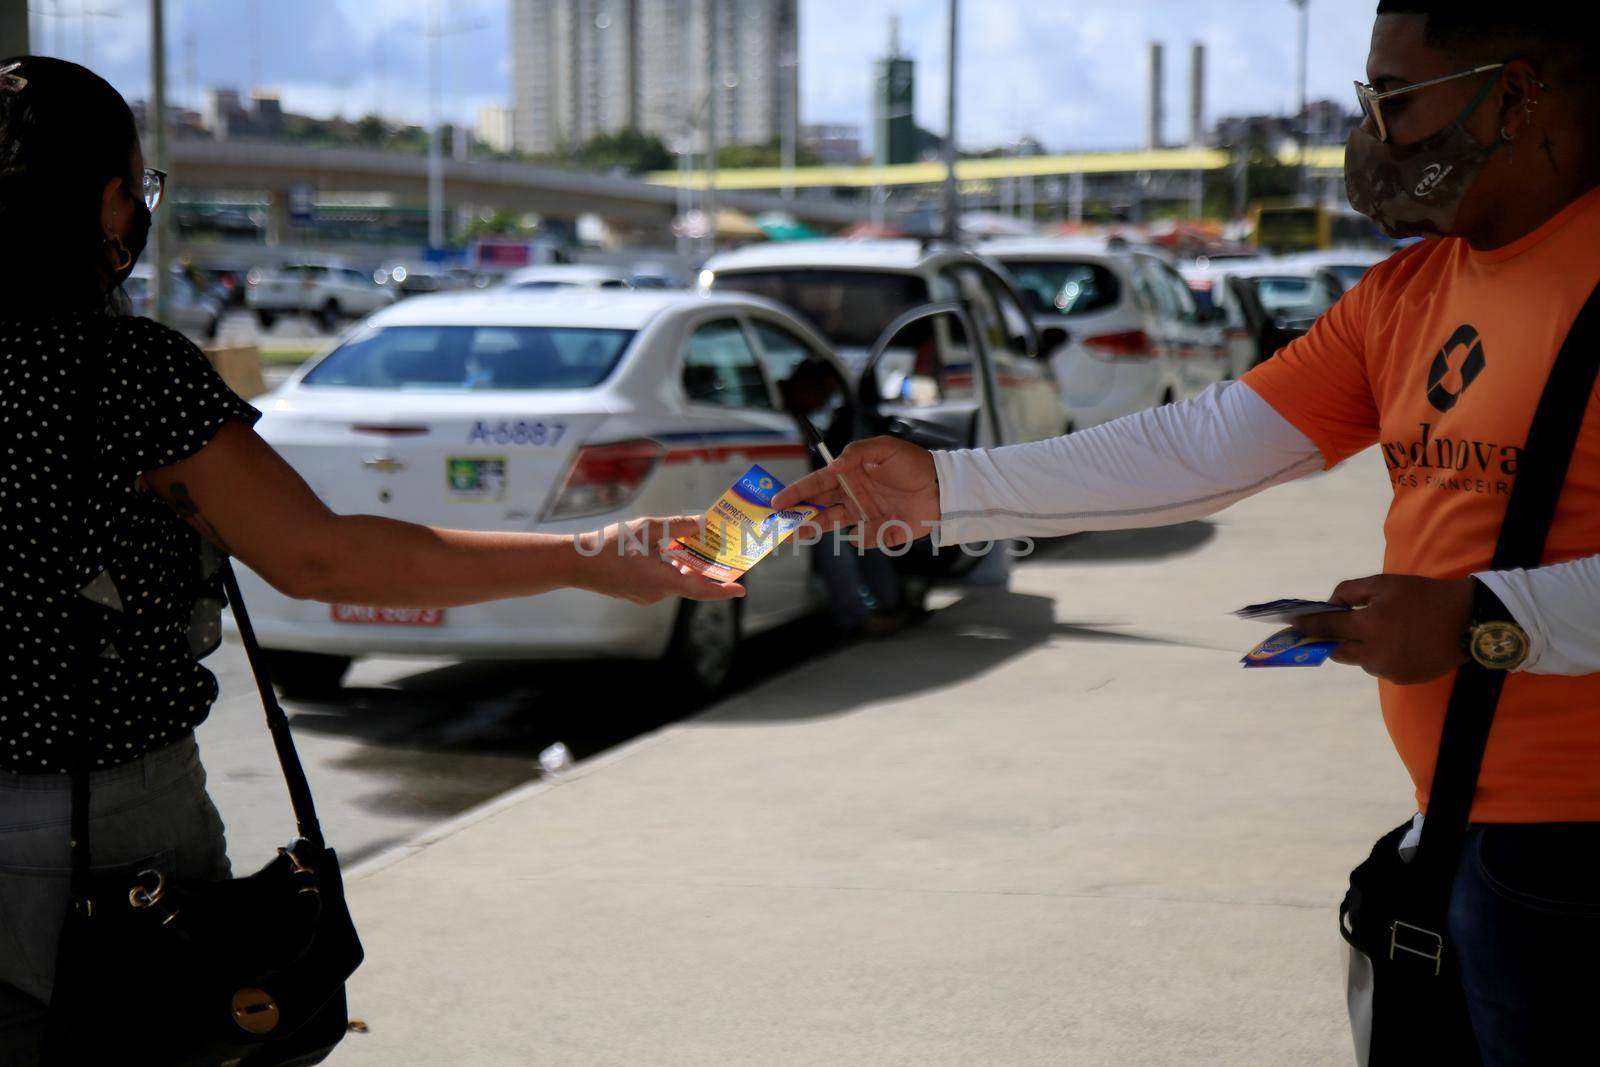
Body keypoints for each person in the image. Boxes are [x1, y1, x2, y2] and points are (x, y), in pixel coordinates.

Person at [775, 4, 1600, 1062]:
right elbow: (1206, 445)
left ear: (1518, 92)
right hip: (1458, 837)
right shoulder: (1407, 293)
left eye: (1394, 98)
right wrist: (942, 487)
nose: (1374, 134)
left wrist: (1485, 620)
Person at [0, 56, 739, 1059]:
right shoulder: (122, 371)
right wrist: (591, 556)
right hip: (99, 828)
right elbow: (324, 560)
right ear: (106, 201)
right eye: (142, 190)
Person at [776, 358, 906, 637]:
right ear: (806, 386)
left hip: (802, 497)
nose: (824, 403)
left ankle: (889, 604)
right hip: (784, 501)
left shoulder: (796, 415)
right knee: (832, 537)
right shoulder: (778, 412)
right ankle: (856, 616)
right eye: (824, 394)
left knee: (863, 528)